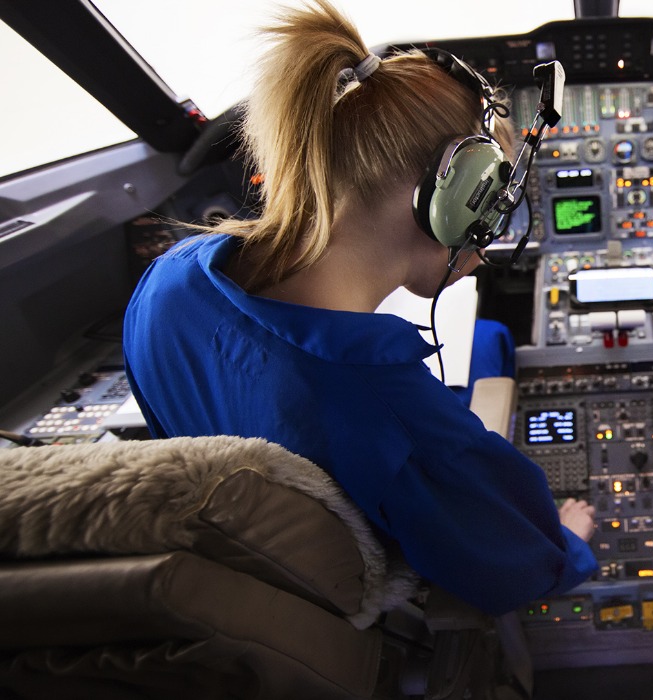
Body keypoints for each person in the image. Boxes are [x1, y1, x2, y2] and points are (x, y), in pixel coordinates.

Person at [122, 0, 597, 616]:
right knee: (493, 350)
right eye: (490, 207)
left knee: (488, 341)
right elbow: (519, 565)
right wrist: (569, 543)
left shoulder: (167, 281)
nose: (486, 242)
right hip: (369, 600)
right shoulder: (392, 415)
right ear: (454, 194)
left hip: (251, 563)